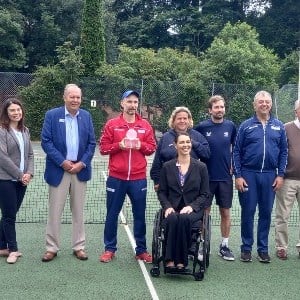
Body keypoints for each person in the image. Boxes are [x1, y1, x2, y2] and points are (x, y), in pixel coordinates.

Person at [99, 90, 156, 263]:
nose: (132, 105)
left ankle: (141, 249)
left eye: (135, 102)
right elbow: (103, 148)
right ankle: (109, 248)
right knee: (112, 214)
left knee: (139, 214)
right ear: (122, 103)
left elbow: (152, 148)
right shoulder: (112, 124)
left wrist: (141, 145)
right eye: (129, 101)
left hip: (138, 179)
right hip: (116, 178)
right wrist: (119, 146)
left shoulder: (145, 125)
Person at [41, 83, 96, 262]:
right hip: (59, 170)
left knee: (78, 211)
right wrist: (63, 162)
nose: (75, 100)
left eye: (78, 97)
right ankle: (52, 248)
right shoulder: (52, 115)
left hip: (80, 171)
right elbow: (46, 141)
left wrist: (82, 163)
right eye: (71, 96)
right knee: (55, 212)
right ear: (64, 97)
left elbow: (91, 144)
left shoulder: (86, 116)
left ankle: (79, 247)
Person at [233, 90, 288, 263]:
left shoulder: (279, 126)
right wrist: (238, 175)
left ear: (271, 104)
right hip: (249, 174)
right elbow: (236, 152)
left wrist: (280, 175)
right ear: (254, 105)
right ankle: (246, 248)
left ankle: (263, 249)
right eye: (261, 101)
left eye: (267, 101)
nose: (264, 104)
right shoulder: (246, 125)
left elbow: (284, 152)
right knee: (248, 212)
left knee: (266, 213)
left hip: (270, 175)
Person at [158, 132, 210, 270]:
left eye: (188, 142)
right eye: (182, 142)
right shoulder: (167, 167)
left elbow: (205, 194)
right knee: (173, 218)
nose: (185, 145)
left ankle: (181, 261)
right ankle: (169, 260)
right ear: (175, 145)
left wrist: (192, 206)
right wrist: (167, 206)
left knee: (184, 218)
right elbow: (162, 192)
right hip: (173, 207)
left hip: (193, 209)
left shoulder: (201, 167)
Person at [195, 95, 237, 261]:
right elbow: (192, 145)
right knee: (205, 213)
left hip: (225, 178)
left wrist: (233, 163)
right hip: (206, 178)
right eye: (216, 107)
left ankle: (224, 245)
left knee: (225, 211)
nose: (220, 110)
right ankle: (202, 246)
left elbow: (237, 148)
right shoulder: (202, 127)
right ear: (210, 110)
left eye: (222, 107)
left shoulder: (231, 126)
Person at [0, 98, 34, 264]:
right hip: (5, 180)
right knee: (9, 216)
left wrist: (29, 173)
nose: (16, 113)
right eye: (12, 110)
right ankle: (13, 250)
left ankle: (1, 246)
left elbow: (30, 155)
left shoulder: (25, 131)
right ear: (6, 113)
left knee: (9, 214)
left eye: (18, 110)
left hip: (22, 180)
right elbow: (2, 157)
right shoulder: (2, 131)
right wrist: (21, 174)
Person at [150, 106, 210, 191]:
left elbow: (206, 154)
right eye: (179, 118)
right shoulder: (166, 137)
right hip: (169, 183)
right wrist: (156, 181)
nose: (182, 121)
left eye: (185, 118)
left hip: (192, 184)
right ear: (174, 121)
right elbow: (157, 161)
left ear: (189, 120)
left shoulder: (197, 136)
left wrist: (192, 143)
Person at [274, 99, 300, 260]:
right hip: (288, 178)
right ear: (296, 111)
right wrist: (280, 174)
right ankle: (281, 247)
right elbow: (280, 152)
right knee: (282, 215)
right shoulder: (286, 128)